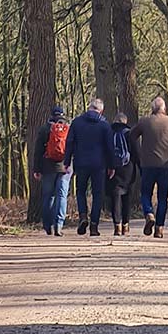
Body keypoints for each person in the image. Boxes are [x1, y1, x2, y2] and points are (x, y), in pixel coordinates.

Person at [130, 96, 168, 238]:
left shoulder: (144, 122)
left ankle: (149, 213)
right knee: (162, 197)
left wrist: (139, 152)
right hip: (165, 165)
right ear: (164, 109)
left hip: (147, 164)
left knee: (145, 193)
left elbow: (131, 136)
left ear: (152, 109)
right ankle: (159, 228)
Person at [64, 98, 115, 237]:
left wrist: (67, 162)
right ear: (101, 110)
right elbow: (110, 148)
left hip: (81, 163)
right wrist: (111, 166)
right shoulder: (104, 125)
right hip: (99, 165)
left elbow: (69, 143)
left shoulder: (77, 122)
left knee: (81, 191)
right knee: (98, 194)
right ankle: (94, 226)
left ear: (89, 107)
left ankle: (82, 216)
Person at [32, 105, 72, 236]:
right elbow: (73, 148)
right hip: (64, 167)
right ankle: (59, 225)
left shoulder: (45, 129)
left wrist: (36, 168)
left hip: (48, 167)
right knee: (61, 196)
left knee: (48, 196)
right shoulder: (68, 128)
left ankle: (47, 225)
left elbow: (38, 150)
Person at [106, 113, 139, 236]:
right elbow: (136, 152)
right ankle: (126, 225)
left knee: (116, 197)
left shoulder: (108, 132)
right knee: (127, 198)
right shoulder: (130, 133)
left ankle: (117, 226)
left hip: (113, 168)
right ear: (125, 121)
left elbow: (106, 151)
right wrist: (140, 167)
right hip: (128, 169)